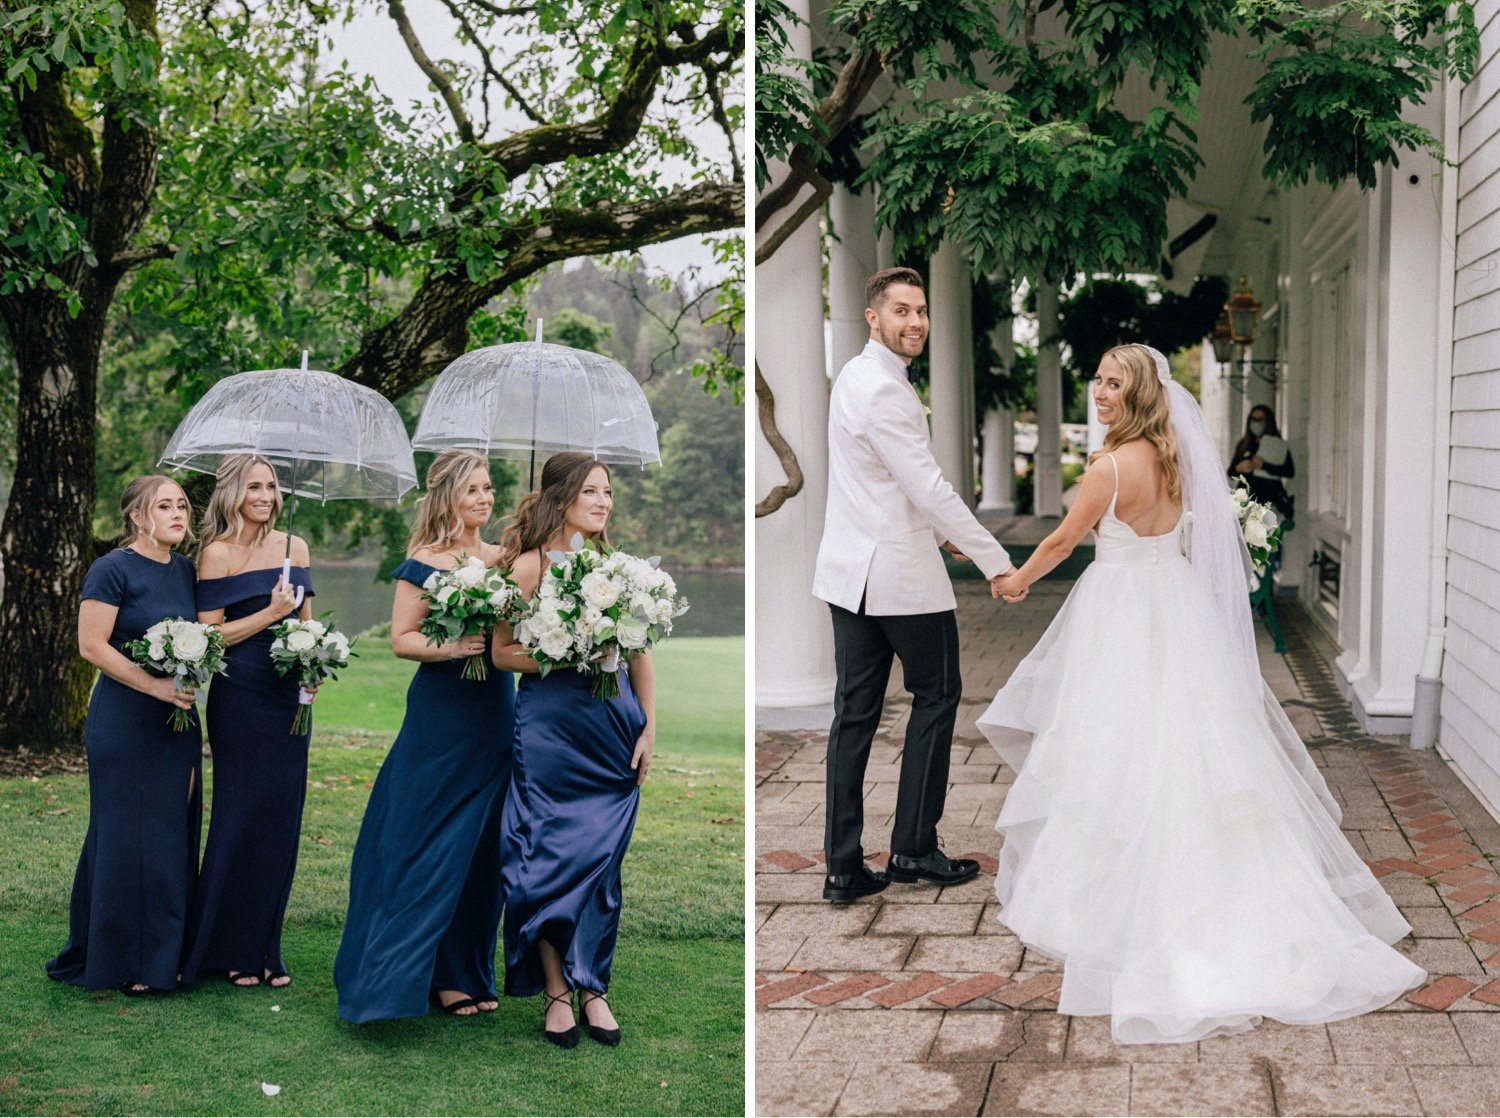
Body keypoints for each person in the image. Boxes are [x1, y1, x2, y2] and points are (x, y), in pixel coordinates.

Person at [980, 343, 1424, 1044]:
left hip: (1122, 610)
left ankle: (1127, 904)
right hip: (1174, 604)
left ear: (1140, 394)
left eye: (1113, 383)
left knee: (1119, 744)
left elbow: (1066, 539)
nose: (1098, 392)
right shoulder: (1180, 462)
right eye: (1095, 380)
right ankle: (1211, 889)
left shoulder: (1109, 466)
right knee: (1186, 741)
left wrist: (1014, 580)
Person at [811, 266, 1020, 905]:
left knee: (854, 717)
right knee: (937, 695)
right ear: (873, 316)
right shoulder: (886, 391)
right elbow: (926, 485)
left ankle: (843, 869)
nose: (917, 322)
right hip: (898, 579)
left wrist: (941, 535)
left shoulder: (853, 375)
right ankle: (913, 848)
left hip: (850, 576)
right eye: (902, 311)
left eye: (922, 310)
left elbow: (880, 483)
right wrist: (995, 562)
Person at [334, 450, 516, 1022]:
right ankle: (408, 975)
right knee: (424, 836)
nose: (485, 499)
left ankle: (464, 972)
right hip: (441, 712)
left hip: (492, 710)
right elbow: (402, 638)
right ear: (448, 498)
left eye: (488, 489)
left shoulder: (507, 559)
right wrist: (456, 646)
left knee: (480, 846)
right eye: (473, 491)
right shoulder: (424, 559)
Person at [492, 452, 654, 1049]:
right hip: (550, 733)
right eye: (592, 491)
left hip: (613, 731)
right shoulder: (528, 568)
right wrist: (564, 654)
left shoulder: (620, 568)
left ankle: (595, 988)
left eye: (608, 492)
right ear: (562, 498)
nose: (604, 501)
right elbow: (501, 652)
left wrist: (649, 727)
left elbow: (641, 657)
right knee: (549, 863)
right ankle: (557, 991)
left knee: (602, 868)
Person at [47, 476, 204, 995]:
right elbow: (91, 646)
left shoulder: (185, 569)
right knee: (123, 836)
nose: (179, 513)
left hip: (176, 721)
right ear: (138, 516)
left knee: (168, 833)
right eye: (165, 505)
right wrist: (154, 687)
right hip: (124, 720)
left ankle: (164, 956)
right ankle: (118, 959)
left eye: (182, 505)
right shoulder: (110, 568)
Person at [181, 454, 314, 989]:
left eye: (272, 485)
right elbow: (206, 637)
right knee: (240, 813)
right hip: (240, 695)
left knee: (282, 820)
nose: (265, 494)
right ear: (233, 493)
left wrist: (315, 662)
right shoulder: (216, 552)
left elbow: (309, 624)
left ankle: (264, 950)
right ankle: (227, 949)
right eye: (254, 486)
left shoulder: (295, 547)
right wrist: (268, 613)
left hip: (290, 699)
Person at [1229, 404, 1296, 524]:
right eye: (1253, 419)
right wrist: (1239, 468)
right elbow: (1231, 472)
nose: (1256, 423)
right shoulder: (1244, 444)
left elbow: (1289, 471)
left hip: (1269, 499)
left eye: (1260, 419)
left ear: (1268, 421)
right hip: (1246, 499)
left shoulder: (1277, 445)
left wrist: (1264, 465)